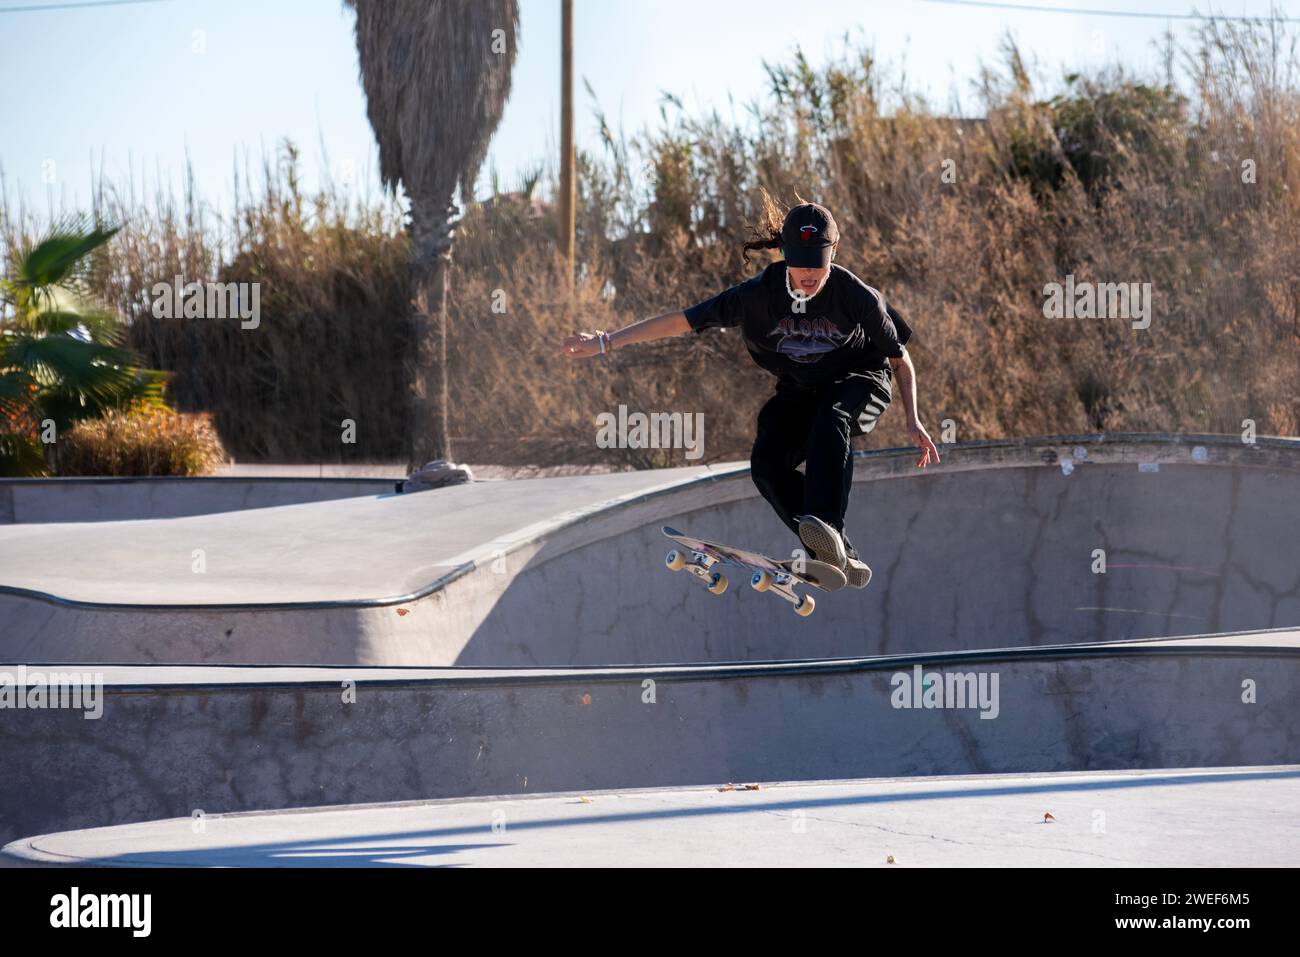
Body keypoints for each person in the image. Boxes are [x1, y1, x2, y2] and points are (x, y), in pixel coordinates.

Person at [559, 196, 939, 589]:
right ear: (783, 254)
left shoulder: (857, 297)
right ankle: (836, 551)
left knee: (834, 415)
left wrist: (913, 419)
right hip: (800, 391)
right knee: (766, 463)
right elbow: (682, 321)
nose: (809, 275)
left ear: (834, 252)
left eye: (818, 264)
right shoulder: (756, 296)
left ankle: (828, 525)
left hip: (863, 379)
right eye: (800, 264)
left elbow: (900, 360)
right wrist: (605, 342)